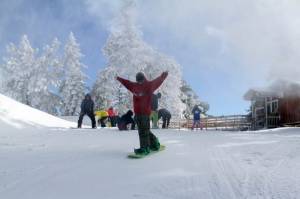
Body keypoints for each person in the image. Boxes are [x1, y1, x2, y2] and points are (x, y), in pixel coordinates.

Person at [116, 71, 168, 155]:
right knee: (144, 131)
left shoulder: (149, 85)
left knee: (143, 132)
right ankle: (155, 143)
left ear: (144, 78)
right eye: (138, 80)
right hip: (137, 114)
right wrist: (118, 78)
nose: (140, 82)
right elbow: (126, 83)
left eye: (141, 80)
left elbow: (157, 82)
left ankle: (145, 148)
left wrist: (162, 77)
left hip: (145, 113)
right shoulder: (134, 86)